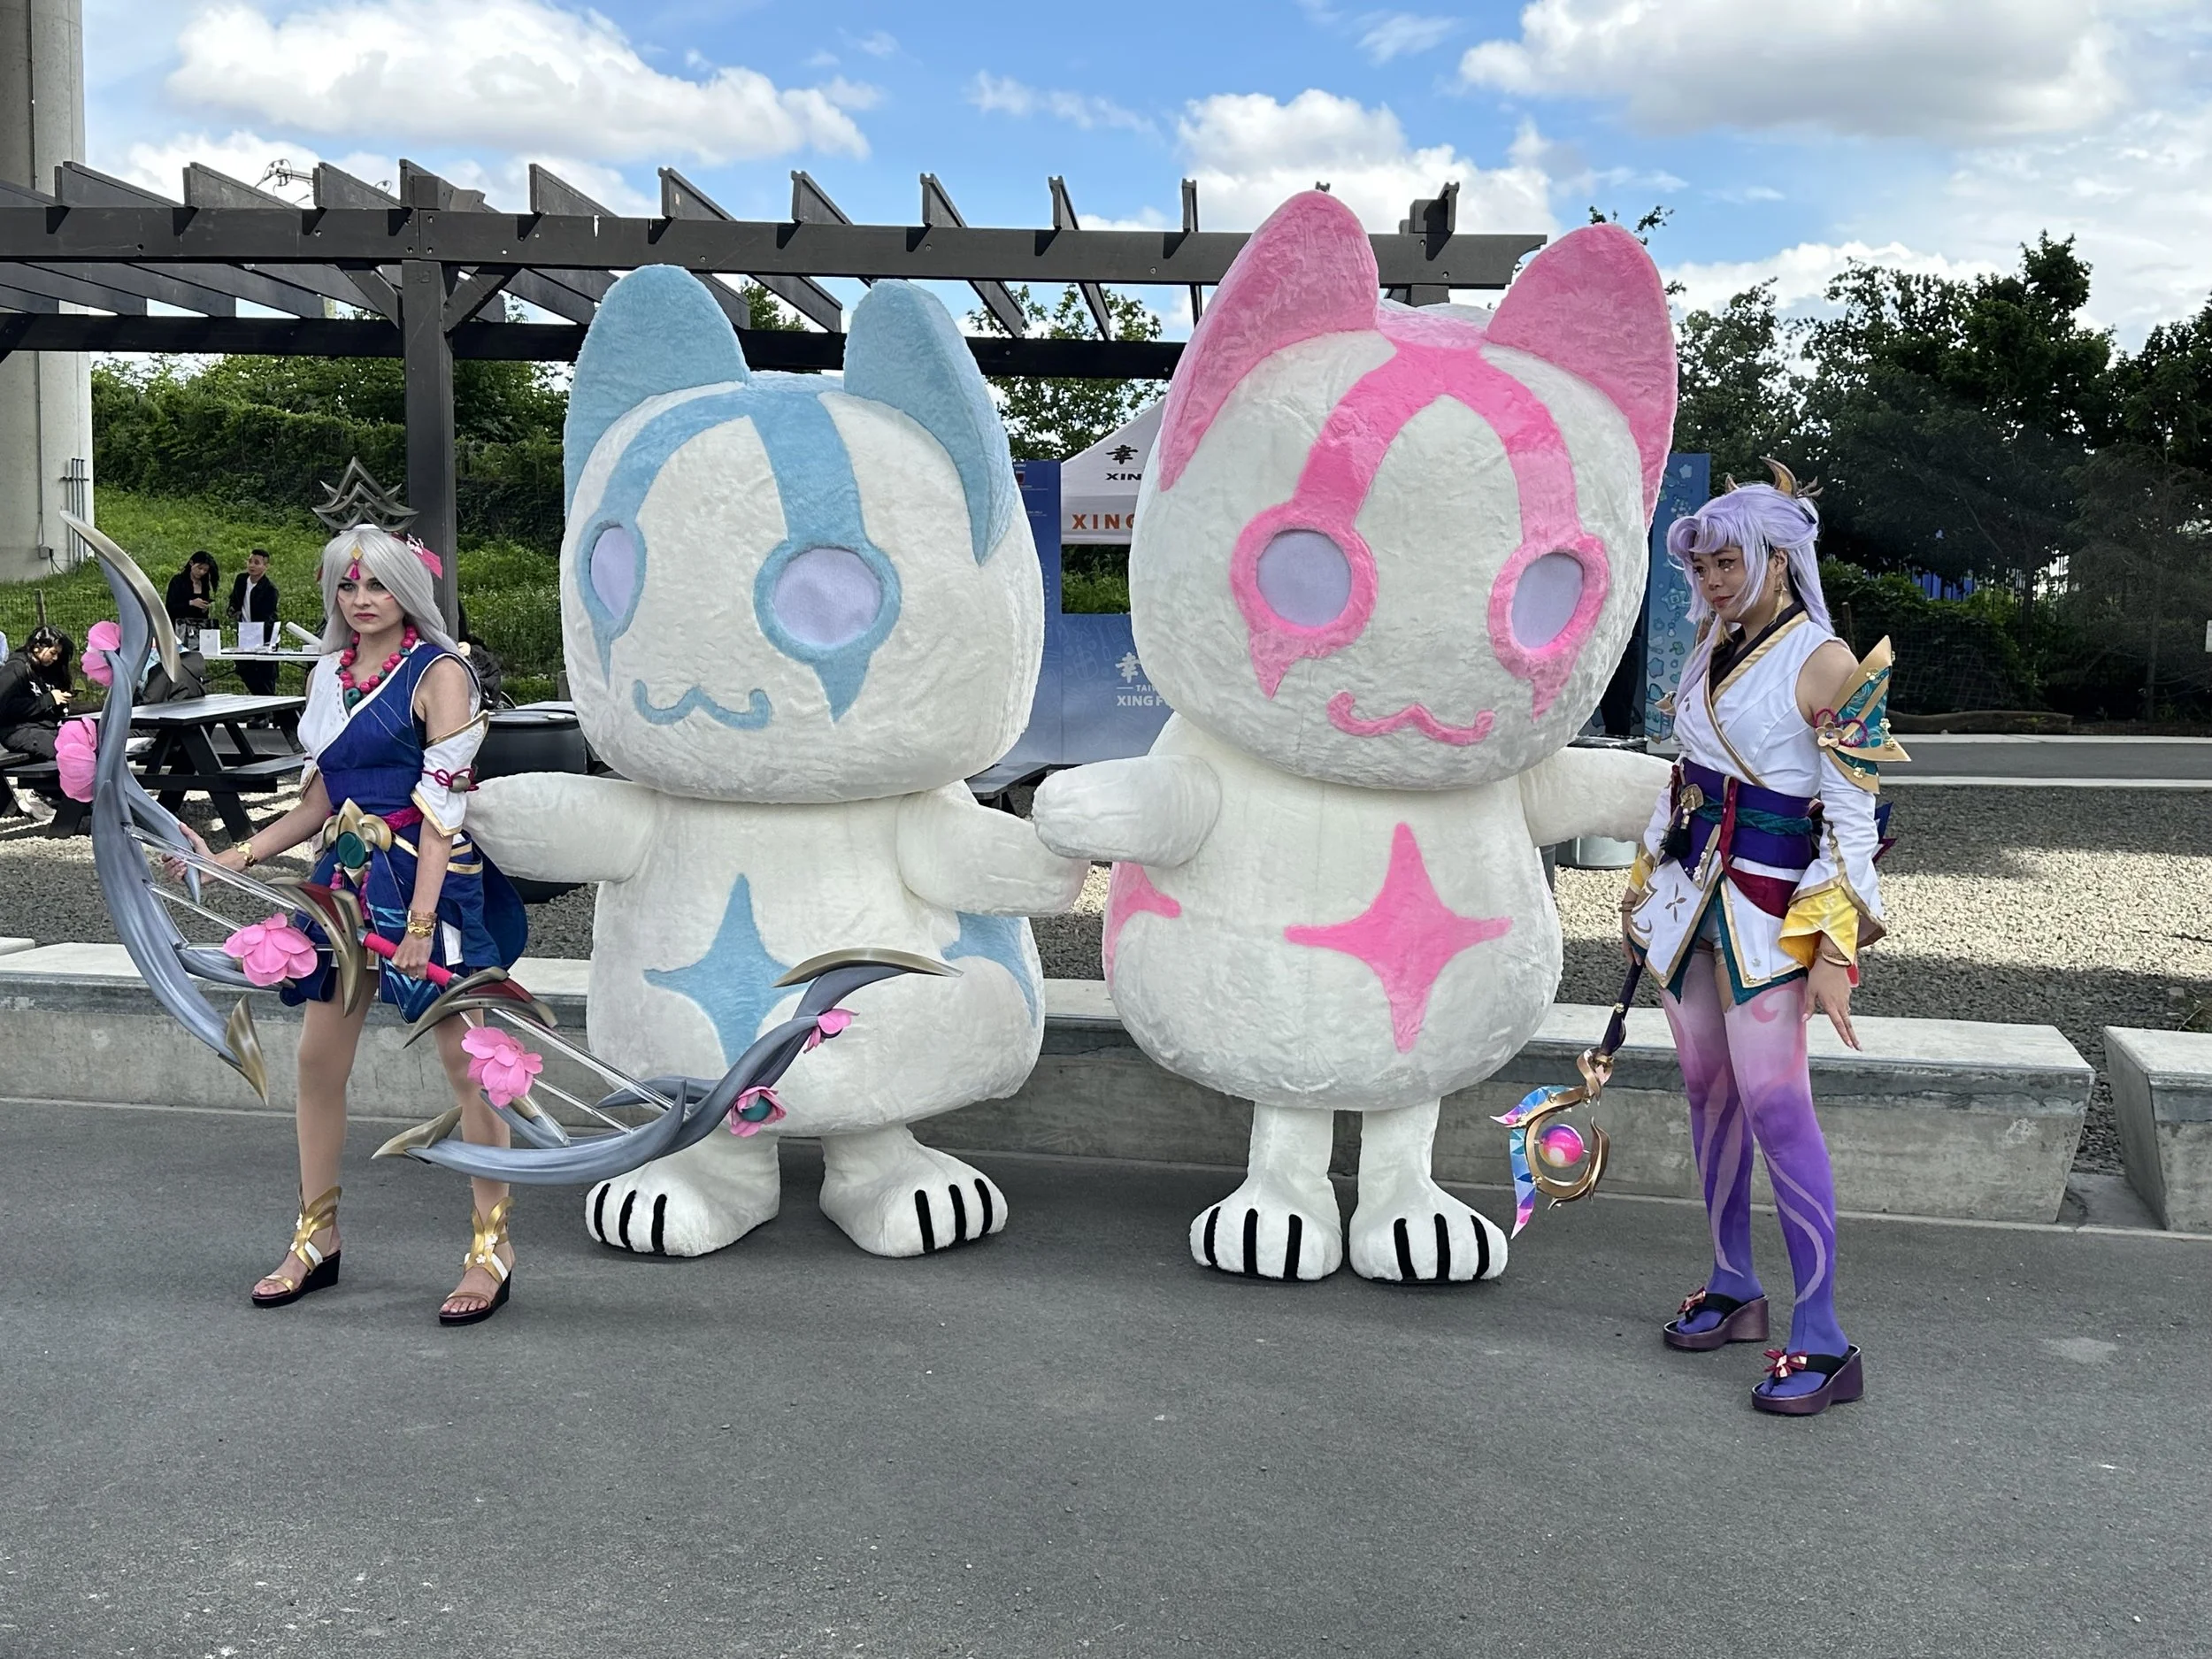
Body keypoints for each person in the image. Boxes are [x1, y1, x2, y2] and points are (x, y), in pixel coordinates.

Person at [178, 525, 530, 1324]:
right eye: (346, 586)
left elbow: (443, 813)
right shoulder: (331, 676)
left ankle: (491, 1246)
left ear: (407, 590)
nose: (360, 600)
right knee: (317, 1059)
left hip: (426, 882)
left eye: (375, 586)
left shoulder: (440, 673)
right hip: (343, 881)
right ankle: (316, 1234)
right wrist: (236, 855)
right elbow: (318, 800)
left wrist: (423, 918)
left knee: (470, 1062)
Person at [1620, 463, 1901, 1417]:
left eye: (1726, 563)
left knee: (1779, 1107)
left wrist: (1834, 949)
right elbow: (1684, 776)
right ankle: (1734, 1281)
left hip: (1772, 909)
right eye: (1699, 570)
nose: (1711, 582)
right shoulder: (1711, 645)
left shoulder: (1824, 661)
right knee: (1706, 1089)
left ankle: (1823, 1339)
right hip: (1692, 897)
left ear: (1780, 557)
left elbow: (1857, 818)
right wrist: (1647, 882)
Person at [0, 625, 77, 821]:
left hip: (43, 727)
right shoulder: (16, 668)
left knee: (81, 745)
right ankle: (45, 793)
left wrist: (59, 703)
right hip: (16, 730)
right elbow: (4, 706)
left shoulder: (49, 671)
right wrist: (47, 700)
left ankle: (68, 799)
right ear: (37, 647)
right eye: (52, 653)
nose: (55, 658)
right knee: (65, 751)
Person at [227, 547, 280, 696]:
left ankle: (268, 708)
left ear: (265, 567)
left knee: (265, 673)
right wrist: (232, 609)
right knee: (244, 668)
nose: (252, 565)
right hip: (245, 632)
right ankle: (263, 706)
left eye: (257, 563)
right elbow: (234, 600)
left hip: (264, 633)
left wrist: (262, 635)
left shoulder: (270, 589)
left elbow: (269, 615)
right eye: (250, 561)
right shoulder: (241, 580)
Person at [165, 550, 220, 635]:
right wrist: (191, 603)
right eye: (199, 568)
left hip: (198, 628)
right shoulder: (178, 581)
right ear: (191, 563)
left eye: (205, 570)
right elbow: (170, 607)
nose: (202, 572)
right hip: (179, 628)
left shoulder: (204, 584)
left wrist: (205, 608)